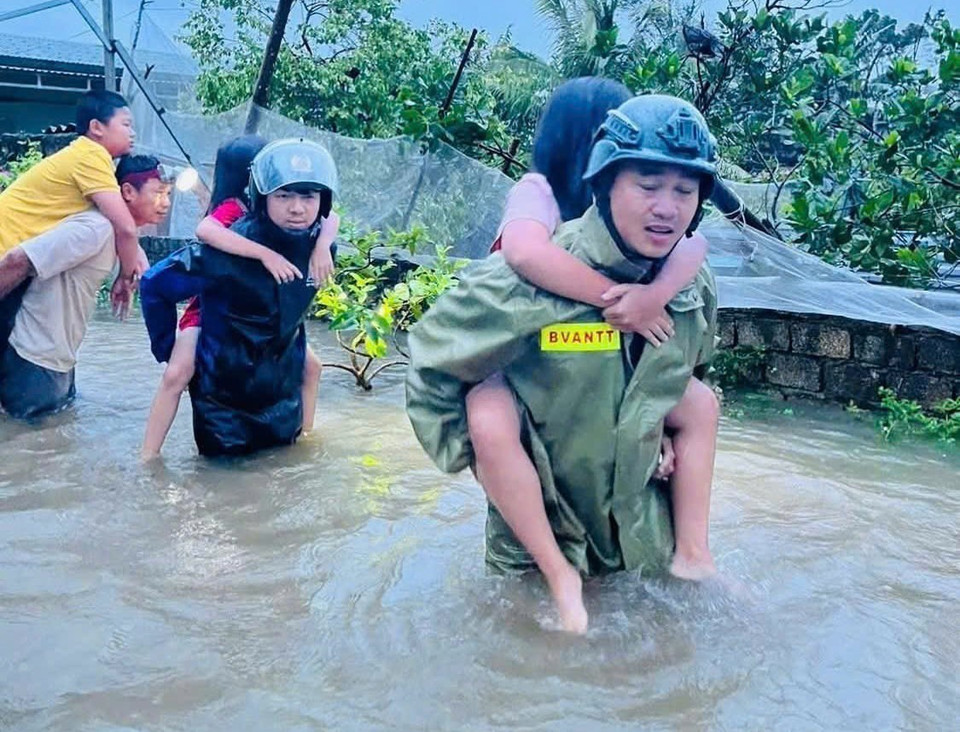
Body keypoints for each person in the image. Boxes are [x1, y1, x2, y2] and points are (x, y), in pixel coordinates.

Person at [406, 95, 720, 634]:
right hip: (533, 561)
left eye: (683, 191)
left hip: (643, 548)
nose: (666, 207)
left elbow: (695, 374)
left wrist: (657, 435)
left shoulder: (690, 286)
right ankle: (559, 573)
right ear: (602, 184)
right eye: (647, 186)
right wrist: (493, 464)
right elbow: (433, 371)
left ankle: (697, 556)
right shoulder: (525, 281)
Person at [140, 135, 340, 459]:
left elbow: (332, 216)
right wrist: (264, 255)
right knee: (177, 373)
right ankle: (148, 455)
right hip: (206, 307)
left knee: (312, 367)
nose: (296, 205)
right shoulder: (233, 208)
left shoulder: (286, 210)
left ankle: (305, 435)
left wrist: (320, 246)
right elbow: (205, 233)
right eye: (283, 191)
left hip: (262, 314)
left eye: (305, 195)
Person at [0, 155, 170, 419]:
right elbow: (16, 260)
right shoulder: (95, 229)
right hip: (33, 361)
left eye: (168, 193)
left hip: (59, 361)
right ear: (127, 192)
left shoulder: (118, 234)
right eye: (158, 192)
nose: (166, 202)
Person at [0, 90, 147, 319]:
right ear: (97, 127)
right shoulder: (91, 156)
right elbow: (125, 228)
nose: (133, 133)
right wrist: (125, 278)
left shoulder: (86, 157)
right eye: (126, 124)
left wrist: (135, 255)